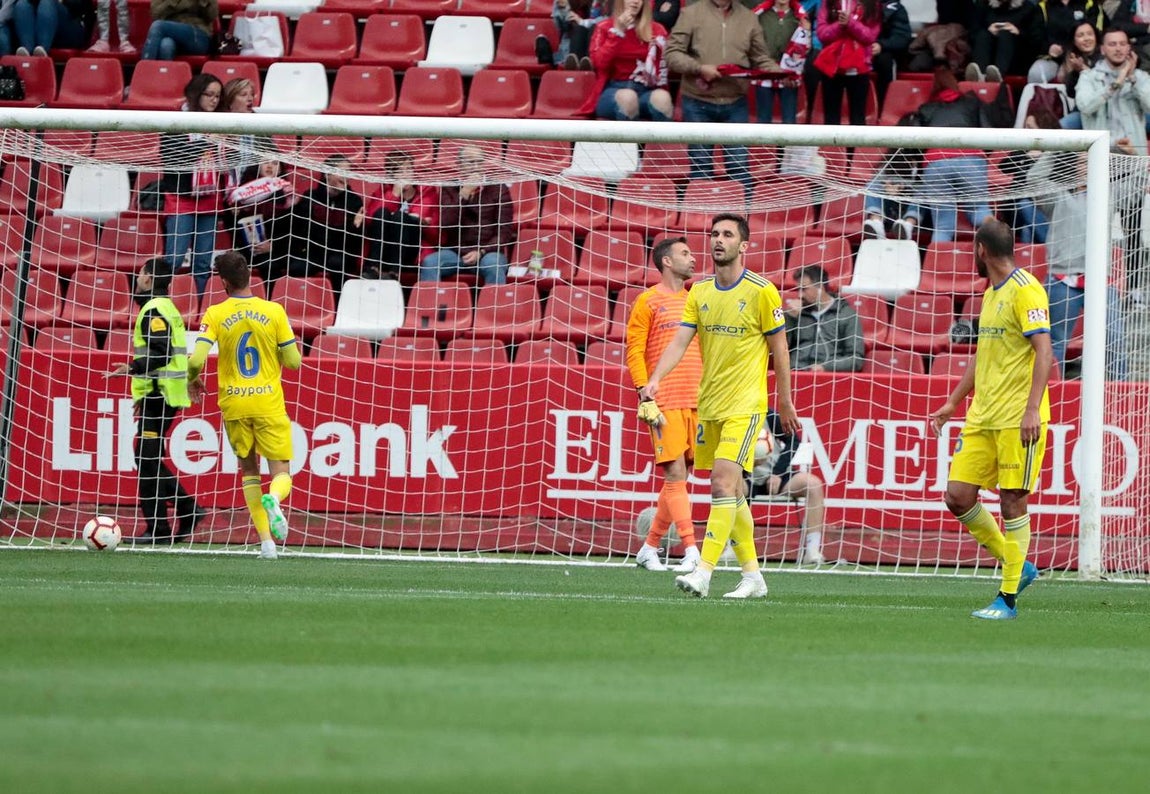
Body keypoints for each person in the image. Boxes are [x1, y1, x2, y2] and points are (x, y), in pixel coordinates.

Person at [640, 213, 799, 599]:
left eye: (727, 235)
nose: (718, 240)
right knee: (735, 493)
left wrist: (785, 398)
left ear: (744, 245)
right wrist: (656, 379)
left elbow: (780, 348)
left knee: (721, 483)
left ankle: (704, 571)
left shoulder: (763, 291)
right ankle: (753, 577)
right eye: (714, 234)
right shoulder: (700, 292)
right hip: (708, 404)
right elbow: (680, 341)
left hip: (745, 404)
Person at [929, 219, 1050, 620]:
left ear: (980, 250)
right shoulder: (990, 293)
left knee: (1012, 499)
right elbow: (982, 355)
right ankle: (1020, 566)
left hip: (1018, 417)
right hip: (983, 415)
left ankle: (1008, 597)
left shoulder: (1026, 289)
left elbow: (1045, 352)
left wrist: (1032, 408)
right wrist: (952, 402)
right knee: (958, 495)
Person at [187, 250, 301, 561]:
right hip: (268, 401)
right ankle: (275, 499)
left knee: (249, 471)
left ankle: (267, 545)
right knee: (281, 471)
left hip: (235, 403)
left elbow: (196, 359)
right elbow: (293, 362)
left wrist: (192, 378)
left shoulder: (214, 313)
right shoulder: (274, 311)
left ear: (222, 281)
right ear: (249, 274)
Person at [104, 258, 204, 544]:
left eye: (140, 274)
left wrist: (132, 369)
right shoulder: (166, 307)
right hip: (159, 392)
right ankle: (178, 514)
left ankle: (167, 522)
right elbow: (171, 352)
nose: (137, 278)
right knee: (145, 456)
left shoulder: (154, 310)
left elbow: (160, 352)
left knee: (146, 458)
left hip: (160, 394)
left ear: (148, 278)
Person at [626, 237, 704, 573]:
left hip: (696, 398)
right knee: (674, 473)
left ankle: (649, 547)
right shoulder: (648, 301)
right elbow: (634, 350)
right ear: (667, 262)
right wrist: (644, 391)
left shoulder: (697, 301)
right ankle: (691, 549)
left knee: (681, 476)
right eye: (685, 253)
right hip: (665, 399)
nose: (693, 258)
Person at [1027, 150, 1127, 380]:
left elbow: (1136, 187)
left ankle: (1119, 396)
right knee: (1055, 342)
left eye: (1092, 162)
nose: (1087, 166)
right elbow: (1033, 180)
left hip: (1100, 281)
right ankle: (1051, 394)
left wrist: (1131, 155)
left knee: (1115, 339)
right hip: (1062, 280)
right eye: (1083, 162)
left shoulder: (1109, 195)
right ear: (1074, 167)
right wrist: (1053, 151)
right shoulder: (1057, 198)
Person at [666, 0, 777, 193]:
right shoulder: (690, 13)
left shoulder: (749, 18)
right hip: (697, 100)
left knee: (739, 165)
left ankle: (742, 217)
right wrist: (699, 68)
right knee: (701, 167)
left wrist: (780, 73)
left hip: (735, 102)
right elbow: (672, 54)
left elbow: (761, 58)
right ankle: (701, 218)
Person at [914, 69, 997, 244]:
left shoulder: (926, 109)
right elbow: (989, 134)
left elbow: (916, 145)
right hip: (970, 159)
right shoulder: (972, 103)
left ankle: (939, 268)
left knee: (943, 226)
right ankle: (999, 247)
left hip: (936, 162)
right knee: (980, 210)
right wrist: (980, 156)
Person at [160, 73, 223, 294]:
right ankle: (159, 303)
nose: (214, 100)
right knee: (174, 258)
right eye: (209, 95)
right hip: (181, 197)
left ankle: (198, 308)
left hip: (209, 197)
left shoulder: (221, 123)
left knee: (203, 263)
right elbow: (172, 156)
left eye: (218, 96)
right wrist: (208, 142)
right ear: (197, 94)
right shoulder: (176, 122)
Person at [420, 145, 515, 286]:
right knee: (430, 262)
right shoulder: (449, 187)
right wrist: (463, 194)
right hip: (456, 252)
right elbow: (445, 223)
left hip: (488, 252)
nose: (476, 167)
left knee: (493, 266)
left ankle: (493, 308)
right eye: (471, 162)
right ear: (459, 165)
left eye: (480, 162)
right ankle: (430, 306)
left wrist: (481, 251)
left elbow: (505, 232)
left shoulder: (498, 188)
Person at [748, 409, 826, 565]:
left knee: (814, 485)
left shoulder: (767, 414)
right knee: (730, 489)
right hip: (745, 477)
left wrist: (777, 473)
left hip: (775, 477)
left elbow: (793, 441)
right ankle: (732, 546)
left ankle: (812, 550)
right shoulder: (729, 414)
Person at [578, 0, 673, 122]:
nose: (635, 1)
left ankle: (662, 141)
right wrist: (618, 32)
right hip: (613, 89)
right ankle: (630, 141)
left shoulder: (656, 29)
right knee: (628, 97)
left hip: (646, 89)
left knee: (663, 99)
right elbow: (599, 63)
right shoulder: (604, 27)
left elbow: (664, 67)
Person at [284, 154, 365, 295]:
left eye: (348, 172)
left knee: (336, 264)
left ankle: (339, 307)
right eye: (342, 171)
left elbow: (352, 241)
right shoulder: (310, 196)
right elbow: (300, 231)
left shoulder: (354, 201)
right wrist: (293, 208)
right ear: (328, 173)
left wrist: (354, 226)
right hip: (313, 252)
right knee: (296, 267)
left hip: (340, 253)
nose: (346, 177)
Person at [357, 150, 439, 280]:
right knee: (382, 212)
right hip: (385, 249)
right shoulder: (383, 191)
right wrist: (394, 195)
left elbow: (428, 226)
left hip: (412, 250)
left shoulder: (427, 193)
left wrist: (409, 218)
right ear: (391, 176)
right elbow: (371, 220)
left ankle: (394, 272)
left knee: (399, 217)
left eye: (408, 169)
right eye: (399, 171)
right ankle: (373, 267)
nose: (405, 174)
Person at [225, 156, 297, 288]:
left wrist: (273, 245)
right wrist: (232, 214)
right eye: (265, 162)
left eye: (275, 163)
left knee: (270, 265)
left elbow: (293, 229)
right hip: (247, 250)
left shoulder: (288, 194)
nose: (269, 166)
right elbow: (231, 228)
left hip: (278, 250)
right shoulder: (241, 193)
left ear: (281, 169)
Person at [784, 264, 864, 372]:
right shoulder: (794, 313)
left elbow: (856, 359)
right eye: (798, 289)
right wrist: (789, 319)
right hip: (795, 373)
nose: (800, 295)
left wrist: (826, 367)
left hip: (829, 377)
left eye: (804, 289)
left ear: (820, 288)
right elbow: (778, 351)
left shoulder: (846, 314)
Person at [813, 0, 882, 126]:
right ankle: (832, 146)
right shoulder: (828, 2)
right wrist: (840, 25)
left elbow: (870, 36)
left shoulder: (872, 3)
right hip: (832, 66)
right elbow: (822, 34)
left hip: (859, 67)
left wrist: (850, 23)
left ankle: (854, 146)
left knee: (858, 117)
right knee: (831, 117)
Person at [750, 0, 810, 125]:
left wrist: (807, 32)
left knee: (789, 120)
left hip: (789, 76)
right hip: (764, 72)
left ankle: (786, 145)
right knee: (763, 119)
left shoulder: (800, 16)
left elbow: (805, 48)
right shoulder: (760, 15)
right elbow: (752, 43)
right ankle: (762, 145)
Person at [966, 0, 1045, 82]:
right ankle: (979, 75)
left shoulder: (1029, 8)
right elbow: (972, 34)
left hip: (1016, 58)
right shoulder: (984, 5)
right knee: (983, 35)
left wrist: (1018, 32)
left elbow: (1036, 41)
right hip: (989, 54)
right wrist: (989, 30)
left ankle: (997, 76)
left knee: (1005, 34)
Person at [1027, 0, 1097, 84]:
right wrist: (1048, 48)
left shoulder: (1089, 4)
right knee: (1036, 73)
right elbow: (1034, 36)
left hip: (1083, 56)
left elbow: (1097, 33)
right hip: (1052, 58)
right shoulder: (1043, 6)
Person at [1, 0, 92, 56]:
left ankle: (42, 51)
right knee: (22, 4)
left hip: (69, 26)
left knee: (47, 2)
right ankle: (27, 51)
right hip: (35, 25)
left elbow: (80, 6)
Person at [141, 0, 216, 61]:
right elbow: (155, 14)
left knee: (158, 26)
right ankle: (164, 78)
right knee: (166, 45)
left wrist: (203, 2)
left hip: (198, 36)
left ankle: (144, 72)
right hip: (170, 33)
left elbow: (212, 15)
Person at [871, 0, 911, 108]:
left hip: (885, 53)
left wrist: (881, 45)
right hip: (859, 50)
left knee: (885, 61)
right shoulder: (856, 6)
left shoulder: (897, 10)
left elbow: (902, 37)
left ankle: (885, 108)